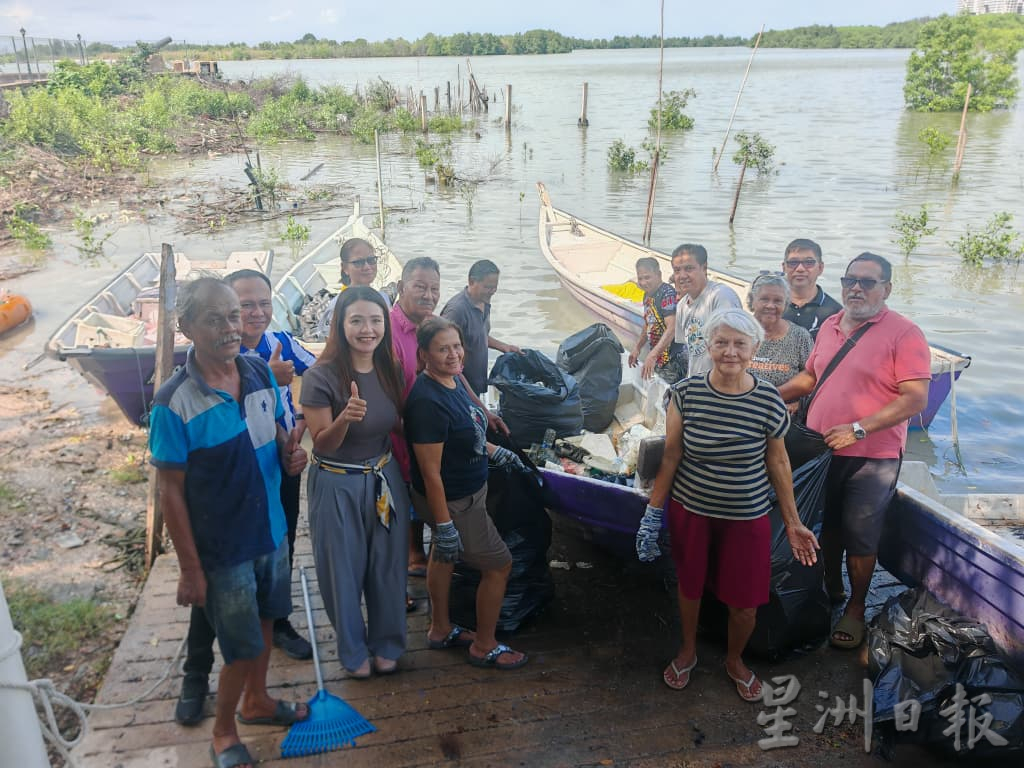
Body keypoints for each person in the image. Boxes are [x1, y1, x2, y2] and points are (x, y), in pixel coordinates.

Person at [149, 277, 308, 768]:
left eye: (234, 316)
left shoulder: (258, 371)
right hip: (223, 547)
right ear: (187, 327)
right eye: (214, 318)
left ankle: (257, 701)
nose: (229, 328)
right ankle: (223, 732)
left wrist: (289, 450)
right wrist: (190, 569)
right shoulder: (172, 402)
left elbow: (277, 431)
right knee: (238, 646)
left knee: (264, 623)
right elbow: (170, 491)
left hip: (273, 530)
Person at [636, 308, 819, 701]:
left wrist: (792, 521)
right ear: (707, 346)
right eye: (721, 342)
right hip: (691, 510)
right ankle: (687, 651)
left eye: (740, 343)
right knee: (690, 587)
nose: (730, 351)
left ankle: (734, 660)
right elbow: (671, 456)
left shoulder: (768, 398)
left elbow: (778, 461)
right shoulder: (685, 393)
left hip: (746, 516)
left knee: (746, 602)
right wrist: (653, 513)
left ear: (755, 347)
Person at [778, 253, 930, 651]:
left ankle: (857, 608)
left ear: (887, 289)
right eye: (850, 281)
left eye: (867, 281)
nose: (857, 288)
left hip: (872, 456)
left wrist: (859, 428)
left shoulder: (905, 333)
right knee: (824, 525)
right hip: (820, 450)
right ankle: (830, 587)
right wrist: (768, 397)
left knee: (860, 535)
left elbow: (915, 399)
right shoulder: (830, 324)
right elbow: (812, 375)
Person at [405, 318, 529, 670]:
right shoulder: (426, 402)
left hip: (463, 492)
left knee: (443, 558)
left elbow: (465, 431)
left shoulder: (453, 379)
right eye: (442, 349)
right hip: (456, 500)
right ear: (424, 354)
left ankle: (440, 629)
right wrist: (444, 525)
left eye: (456, 346)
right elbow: (430, 472)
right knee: (499, 564)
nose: (453, 354)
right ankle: (484, 645)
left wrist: (493, 450)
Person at [301, 286, 411, 678]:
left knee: (388, 564)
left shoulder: (389, 368)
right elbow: (322, 444)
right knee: (342, 570)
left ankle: (387, 643)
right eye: (357, 320)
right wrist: (345, 418)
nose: (368, 330)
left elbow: (395, 423)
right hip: (336, 484)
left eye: (376, 320)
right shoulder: (320, 376)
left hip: (383, 479)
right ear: (340, 324)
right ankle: (352, 651)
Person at [643, 244, 742, 380]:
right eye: (677, 270)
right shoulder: (683, 305)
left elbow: (734, 351)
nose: (682, 276)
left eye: (689, 268)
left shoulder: (721, 297)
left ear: (704, 268)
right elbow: (692, 352)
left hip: (720, 386)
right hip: (696, 384)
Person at [440, 259, 520, 396]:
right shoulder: (456, 311)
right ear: (471, 282)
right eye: (488, 287)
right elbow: (440, 350)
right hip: (459, 388)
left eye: (495, 287)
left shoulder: (484, 302)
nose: (492, 291)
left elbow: (478, 335)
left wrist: (504, 346)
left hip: (476, 385)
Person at [746, 272, 813, 387]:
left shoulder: (800, 337)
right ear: (752, 301)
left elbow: (810, 376)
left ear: (785, 304)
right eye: (764, 299)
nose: (770, 306)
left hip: (783, 403)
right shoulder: (738, 331)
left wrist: (773, 398)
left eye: (777, 301)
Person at [316, 237, 391, 338]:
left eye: (371, 260)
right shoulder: (338, 306)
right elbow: (330, 341)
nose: (367, 267)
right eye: (359, 262)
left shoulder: (383, 298)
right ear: (345, 268)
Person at [628, 256, 683, 382]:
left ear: (658, 274)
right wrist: (637, 347)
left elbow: (672, 328)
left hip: (672, 360)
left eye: (647, 277)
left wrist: (652, 355)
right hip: (658, 359)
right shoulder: (647, 295)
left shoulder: (667, 294)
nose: (643, 282)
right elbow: (648, 323)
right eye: (640, 278)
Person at [781, 239, 841, 340]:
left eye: (809, 262)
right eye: (793, 262)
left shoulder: (835, 313)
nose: (800, 268)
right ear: (784, 267)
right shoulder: (771, 305)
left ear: (820, 268)